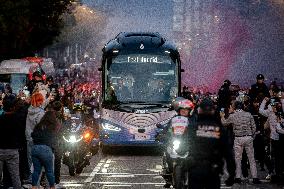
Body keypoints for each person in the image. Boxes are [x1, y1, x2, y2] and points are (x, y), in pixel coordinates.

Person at [187, 98, 226, 189]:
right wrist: (232, 174)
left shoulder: (192, 127)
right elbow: (227, 152)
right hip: (213, 169)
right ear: (213, 111)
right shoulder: (219, 129)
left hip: (196, 168)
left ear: (199, 110)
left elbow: (184, 145)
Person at [221, 101, 261, 184]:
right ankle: (255, 178)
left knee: (238, 159)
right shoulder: (249, 114)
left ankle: (238, 177)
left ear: (235, 107)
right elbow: (254, 127)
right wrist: (251, 137)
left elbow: (224, 123)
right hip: (248, 137)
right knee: (251, 159)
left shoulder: (233, 116)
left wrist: (222, 116)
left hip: (238, 138)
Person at [160, 97, 195, 188]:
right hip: (175, 141)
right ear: (178, 110)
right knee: (167, 151)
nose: (184, 111)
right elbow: (167, 128)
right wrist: (162, 134)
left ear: (189, 111)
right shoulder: (174, 119)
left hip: (188, 143)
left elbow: (197, 130)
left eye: (186, 110)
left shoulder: (193, 120)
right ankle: (168, 171)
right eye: (182, 110)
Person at [31, 107, 60, 189]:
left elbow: (32, 135)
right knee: (49, 171)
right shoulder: (53, 127)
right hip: (46, 149)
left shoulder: (39, 125)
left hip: (35, 148)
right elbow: (55, 139)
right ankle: (52, 187)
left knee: (36, 171)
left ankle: (33, 187)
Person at [259, 96, 284, 183]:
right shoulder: (269, 112)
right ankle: (272, 173)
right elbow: (261, 111)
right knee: (272, 157)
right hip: (273, 139)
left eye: (275, 105)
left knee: (279, 158)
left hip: (281, 138)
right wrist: (264, 101)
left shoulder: (282, 112)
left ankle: (278, 174)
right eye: (272, 105)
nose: (273, 107)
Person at [0, 95, 22, 189]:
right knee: (15, 176)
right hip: (13, 150)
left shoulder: (0, 119)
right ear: (13, 107)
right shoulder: (18, 119)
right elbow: (21, 135)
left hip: (0, 149)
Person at [25, 92, 46, 181]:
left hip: (29, 137)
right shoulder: (41, 113)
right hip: (38, 139)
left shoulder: (29, 110)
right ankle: (37, 179)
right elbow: (41, 127)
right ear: (40, 101)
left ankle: (31, 177)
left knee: (30, 158)